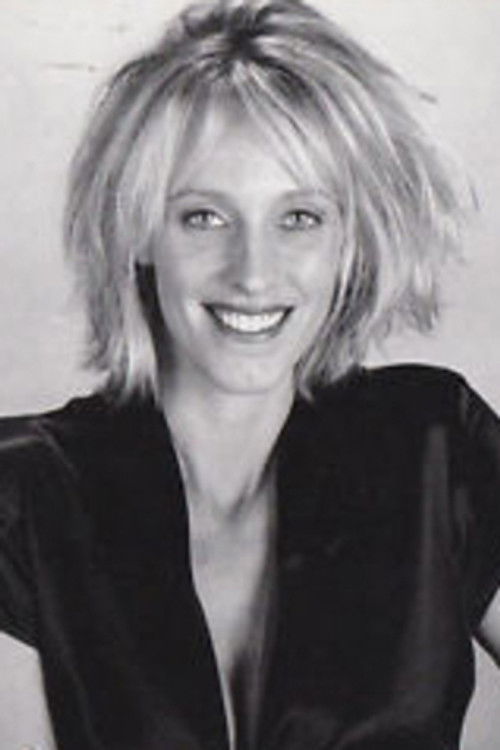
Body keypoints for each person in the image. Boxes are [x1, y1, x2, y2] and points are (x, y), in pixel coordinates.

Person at [1, 0, 500, 748]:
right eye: (204, 216)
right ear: (138, 231)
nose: (254, 274)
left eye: (299, 218)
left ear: (349, 241)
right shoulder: (22, 497)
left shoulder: (435, 450)